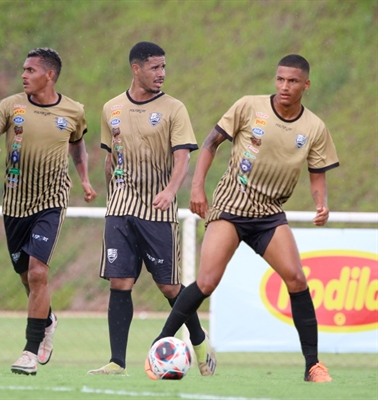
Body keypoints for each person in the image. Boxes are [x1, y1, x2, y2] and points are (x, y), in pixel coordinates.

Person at [152, 54, 339, 382]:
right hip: (231, 207)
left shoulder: (314, 128)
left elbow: (317, 173)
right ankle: (158, 347)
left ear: (305, 85)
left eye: (292, 81)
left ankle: (313, 366)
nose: (284, 86)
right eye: (280, 79)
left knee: (296, 279)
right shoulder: (248, 106)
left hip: (268, 214)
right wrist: (197, 188)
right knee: (207, 281)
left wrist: (321, 204)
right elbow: (210, 144)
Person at [87, 41, 216, 376]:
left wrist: (171, 190)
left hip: (157, 212)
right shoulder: (111, 108)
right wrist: (111, 194)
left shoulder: (174, 108)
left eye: (164, 67)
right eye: (155, 67)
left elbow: (182, 156)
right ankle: (117, 361)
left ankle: (200, 343)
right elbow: (109, 156)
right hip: (120, 209)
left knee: (170, 287)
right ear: (136, 69)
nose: (162, 74)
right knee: (119, 282)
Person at [0, 47, 97, 375]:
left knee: (39, 272)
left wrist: (83, 180)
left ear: (49, 75)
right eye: (23, 70)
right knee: (26, 277)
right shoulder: (11, 106)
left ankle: (29, 350)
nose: (23, 75)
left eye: (30, 70)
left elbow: (78, 144)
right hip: (15, 204)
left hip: (51, 202)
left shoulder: (73, 111)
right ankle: (48, 319)